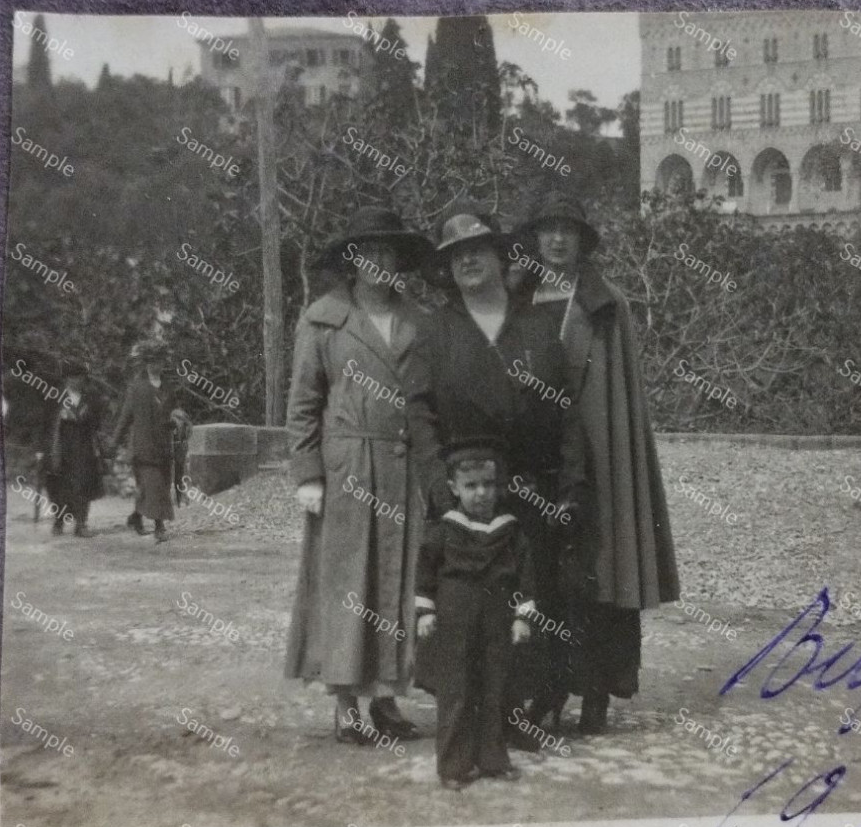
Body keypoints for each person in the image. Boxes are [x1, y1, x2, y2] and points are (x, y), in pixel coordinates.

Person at [410, 202, 584, 745]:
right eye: (458, 255)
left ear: (498, 255)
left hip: (529, 489)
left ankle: (520, 708)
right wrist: (440, 487)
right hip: (465, 492)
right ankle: (468, 711)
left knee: (529, 598)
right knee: (465, 602)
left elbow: (567, 413)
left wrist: (570, 486)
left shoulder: (535, 324)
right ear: (447, 267)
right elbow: (417, 413)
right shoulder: (436, 332)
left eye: (478, 250)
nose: (470, 262)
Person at [510, 190, 680, 735]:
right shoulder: (519, 298)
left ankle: (599, 690)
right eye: (548, 230)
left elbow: (620, 398)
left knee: (600, 571)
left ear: (581, 240)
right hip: (537, 453)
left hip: (596, 452)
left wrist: (604, 459)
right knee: (541, 574)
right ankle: (544, 687)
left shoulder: (606, 303)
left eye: (568, 230)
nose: (557, 240)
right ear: (536, 239)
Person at [284, 206, 434, 745]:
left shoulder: (419, 321)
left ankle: (387, 699)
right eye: (368, 253)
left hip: (403, 467)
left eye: (388, 253)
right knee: (348, 582)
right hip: (347, 467)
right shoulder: (323, 318)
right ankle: (346, 703)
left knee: (396, 582)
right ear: (353, 260)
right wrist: (308, 474)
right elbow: (303, 404)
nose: (378, 263)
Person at [415, 438, 536, 790]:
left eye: (488, 485)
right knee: (456, 694)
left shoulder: (511, 532)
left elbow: (525, 579)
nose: (481, 493)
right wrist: (425, 613)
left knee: (494, 691)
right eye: (471, 486)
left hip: (496, 624)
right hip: (455, 624)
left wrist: (521, 617)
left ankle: (493, 759)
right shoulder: (443, 531)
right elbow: (425, 576)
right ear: (454, 488)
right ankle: (453, 766)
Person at [112, 342, 182, 544]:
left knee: (152, 486)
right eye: (151, 361)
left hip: (163, 446)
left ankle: (136, 517)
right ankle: (160, 527)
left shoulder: (168, 387)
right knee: (155, 486)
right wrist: (114, 444)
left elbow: (177, 412)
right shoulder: (137, 388)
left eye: (159, 361)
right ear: (146, 363)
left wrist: (177, 420)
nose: (155, 366)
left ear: (163, 362)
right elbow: (125, 417)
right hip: (143, 447)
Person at [42, 362, 104, 537]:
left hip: (84, 449)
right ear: (66, 379)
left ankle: (81, 524)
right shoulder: (54, 397)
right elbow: (45, 424)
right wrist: (42, 449)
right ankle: (58, 522)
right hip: (60, 448)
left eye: (79, 378)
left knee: (83, 485)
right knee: (58, 487)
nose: (76, 382)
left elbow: (97, 423)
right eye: (72, 378)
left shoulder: (91, 398)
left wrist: (87, 417)